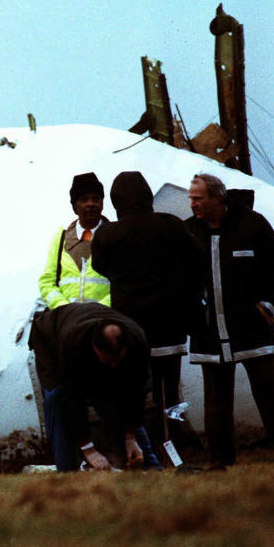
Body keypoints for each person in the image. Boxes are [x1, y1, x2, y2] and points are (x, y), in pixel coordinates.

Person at [185, 173, 274, 466]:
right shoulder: (188, 232)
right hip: (210, 333)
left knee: (270, 393)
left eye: (198, 198)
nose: (192, 203)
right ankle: (219, 462)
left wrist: (266, 306)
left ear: (217, 198)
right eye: (191, 198)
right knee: (216, 402)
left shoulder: (252, 225)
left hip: (252, 330)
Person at [91, 171, 206, 454]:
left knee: (133, 390)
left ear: (116, 201)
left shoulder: (108, 235)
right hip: (170, 324)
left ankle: (137, 448)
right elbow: (197, 257)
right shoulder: (170, 225)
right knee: (169, 389)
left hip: (131, 328)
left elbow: (99, 267)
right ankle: (173, 447)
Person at [28, 303, 149, 471]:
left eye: (118, 359)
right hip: (50, 339)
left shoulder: (137, 340)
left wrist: (131, 436)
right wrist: (88, 449)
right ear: (95, 348)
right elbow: (71, 398)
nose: (113, 365)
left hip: (80, 327)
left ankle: (144, 464)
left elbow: (136, 391)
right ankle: (68, 472)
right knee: (55, 399)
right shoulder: (73, 342)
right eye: (108, 360)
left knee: (112, 393)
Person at [37, 172, 111, 311]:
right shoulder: (60, 239)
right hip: (67, 322)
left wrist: (99, 310)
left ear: (102, 203)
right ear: (75, 206)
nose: (90, 204)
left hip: (103, 320)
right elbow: (46, 282)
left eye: (95, 199)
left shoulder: (115, 237)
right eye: (84, 199)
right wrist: (64, 309)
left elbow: (124, 283)